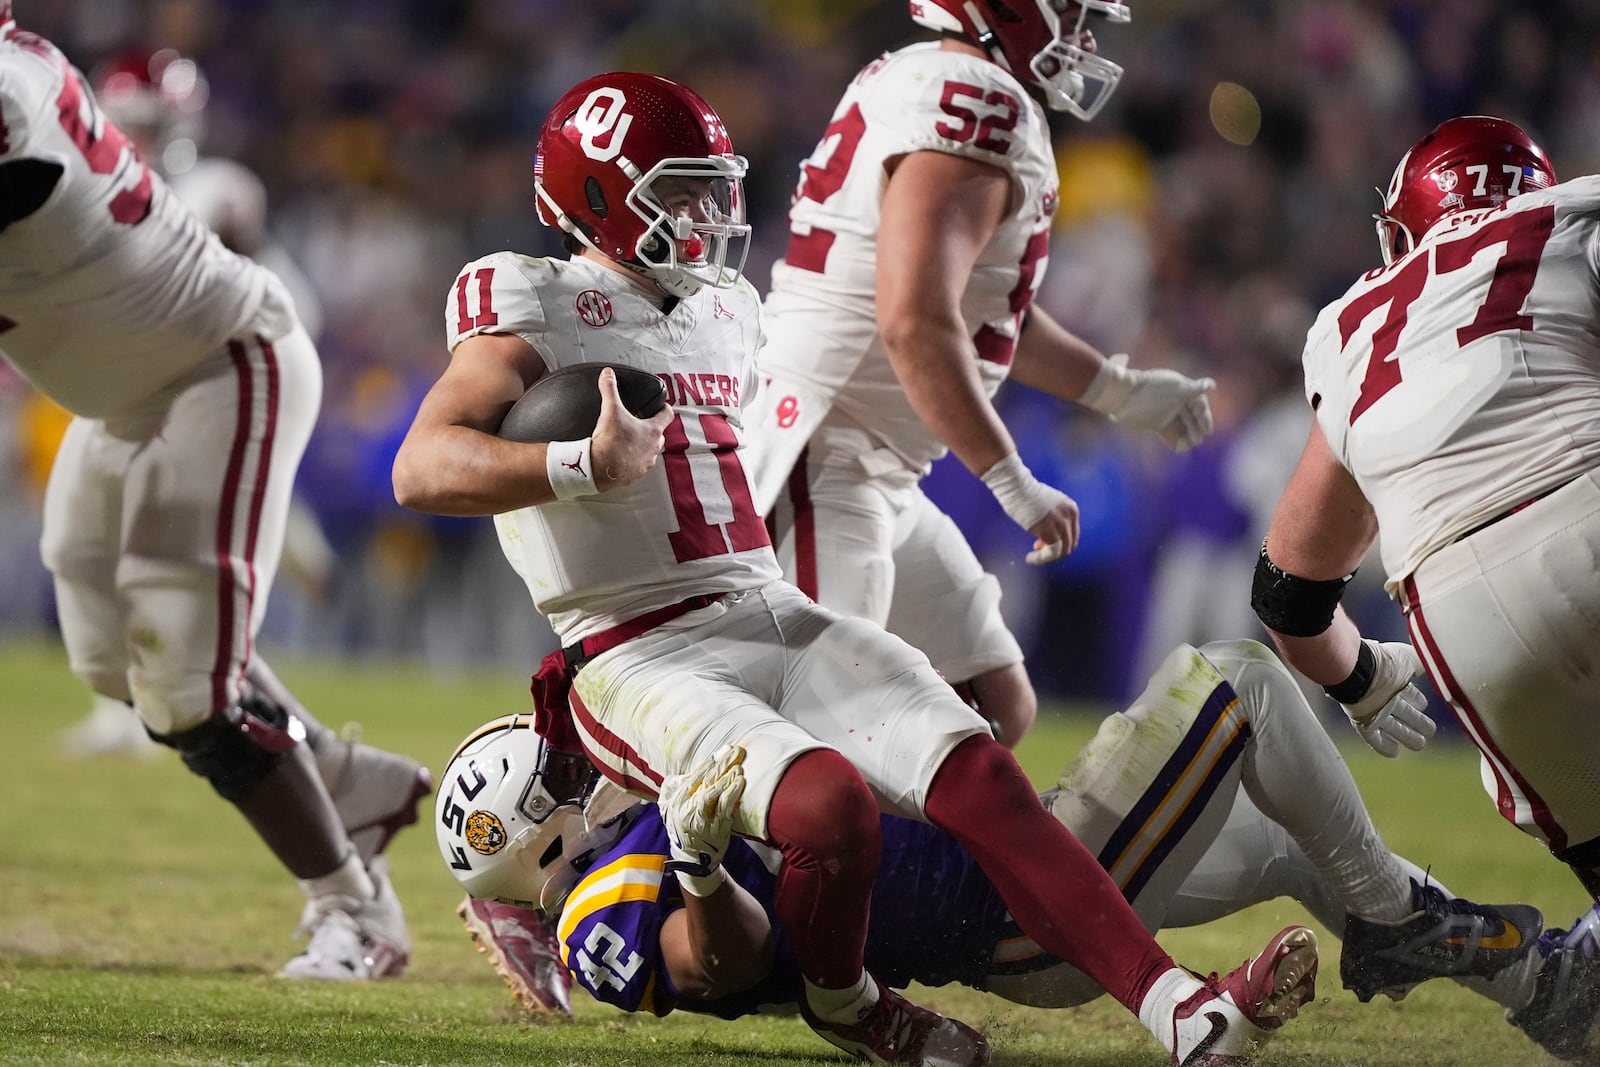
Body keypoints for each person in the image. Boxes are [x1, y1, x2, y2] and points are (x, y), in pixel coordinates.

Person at [393, 70, 1315, 1066]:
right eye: (680, 190)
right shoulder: (531, 296)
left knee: (979, 769)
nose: (709, 211)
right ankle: (852, 1005)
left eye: (714, 184)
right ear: (603, 200)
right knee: (826, 804)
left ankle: (1179, 1006)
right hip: (635, 648)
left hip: (758, 598)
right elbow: (422, 463)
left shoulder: (725, 307)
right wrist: (575, 462)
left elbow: (943, 322)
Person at [435, 639, 1555, 1053]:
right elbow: (708, 960)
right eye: (558, 770)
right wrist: (695, 863)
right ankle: (1400, 924)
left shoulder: (641, 817)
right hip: (1026, 908)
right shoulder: (605, 901)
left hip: (1017, 905)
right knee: (1241, 682)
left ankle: (1536, 984)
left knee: (1277, 844)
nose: (583, 758)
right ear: (536, 829)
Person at [0, 7, 428, 978]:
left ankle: (357, 909)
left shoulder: (10, 94)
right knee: (115, 661)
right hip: (125, 393)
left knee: (191, 690)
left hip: (219, 366)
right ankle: (347, 778)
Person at [742, 0, 1215, 746]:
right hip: (827, 455)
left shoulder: (931, 75)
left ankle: (911, 866)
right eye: (1068, 11)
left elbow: (986, 314)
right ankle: (626, 855)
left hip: (871, 461)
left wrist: (1120, 390)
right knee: (810, 747)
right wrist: (1009, 478)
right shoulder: (978, 106)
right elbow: (914, 319)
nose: (1085, 36)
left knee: (991, 707)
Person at [1251, 114, 1600, 1061]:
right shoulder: (1573, 217)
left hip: (1466, 618)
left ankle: (1575, 990)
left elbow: (1288, 588)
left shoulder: (1349, 323)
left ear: (1403, 229)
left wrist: (1359, 678)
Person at [58, 46, 338, 760]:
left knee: (169, 553)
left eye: (145, 119)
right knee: (87, 551)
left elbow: (238, 270)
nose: (134, 133)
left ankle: (194, 705)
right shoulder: (91, 188)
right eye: (123, 119)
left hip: (216, 377)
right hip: (139, 382)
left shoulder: (216, 185)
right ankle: (120, 709)